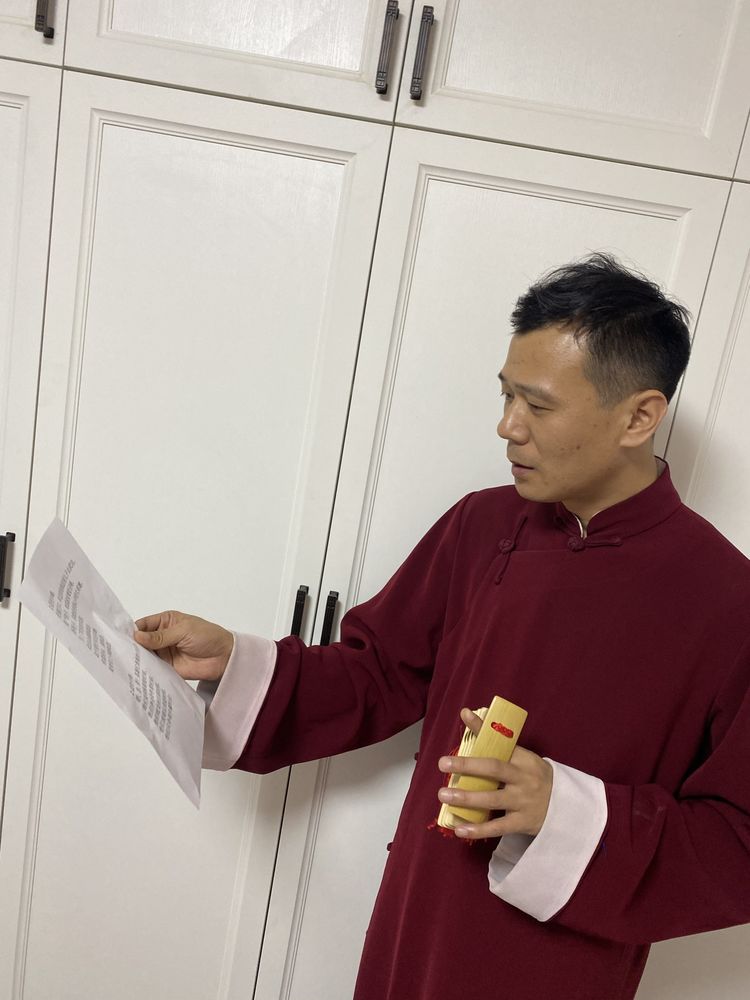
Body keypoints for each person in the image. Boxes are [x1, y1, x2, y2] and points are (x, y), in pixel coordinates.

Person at [134, 253, 750, 999]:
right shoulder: (481, 525)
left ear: (640, 416)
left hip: (562, 961)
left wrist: (563, 811)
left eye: (538, 406)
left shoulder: (728, 600)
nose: (507, 427)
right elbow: (378, 672)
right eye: (506, 394)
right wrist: (233, 660)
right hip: (418, 909)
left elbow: (735, 840)